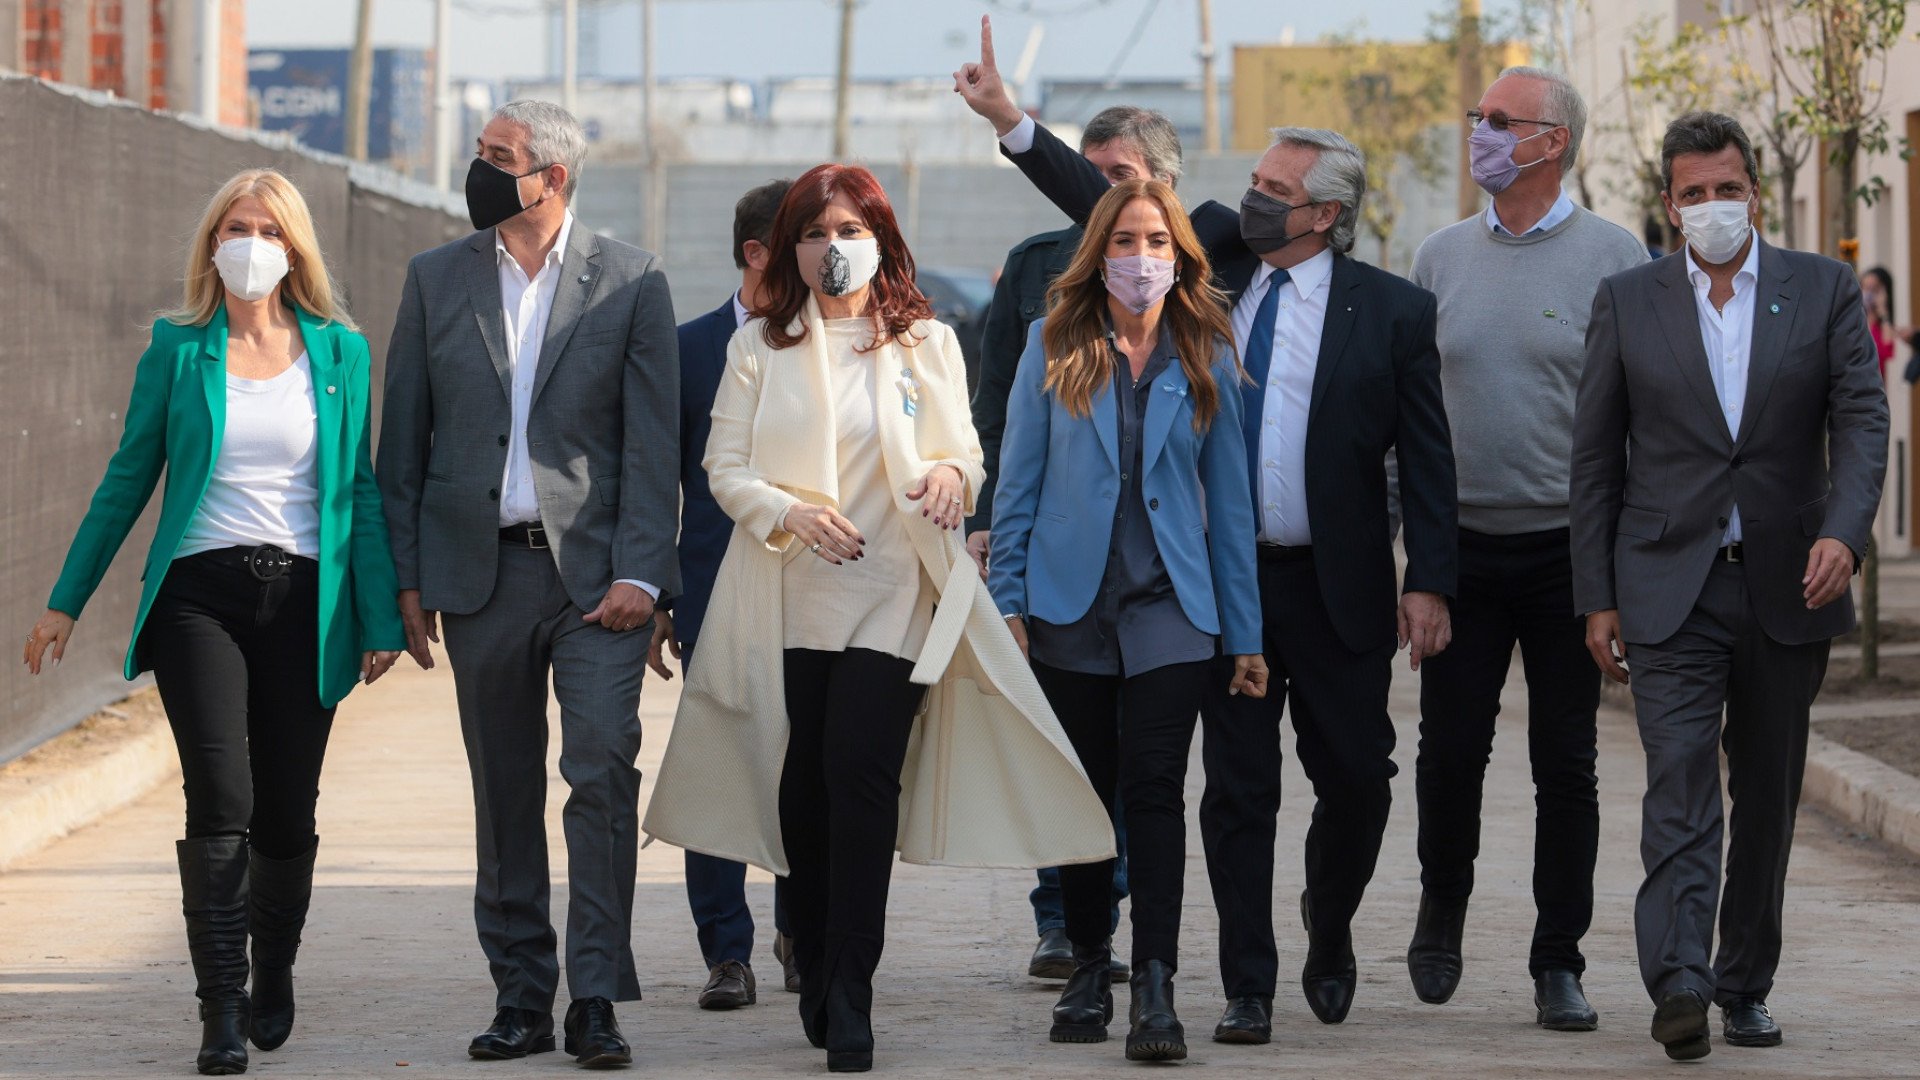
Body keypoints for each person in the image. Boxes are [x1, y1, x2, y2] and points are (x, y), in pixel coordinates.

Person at [955, 16, 1459, 1039]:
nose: (1251, 200)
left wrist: (1428, 577)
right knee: (1223, 792)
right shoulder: (1206, 258)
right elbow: (1113, 213)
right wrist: (1014, 125)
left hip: (1326, 582)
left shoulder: (1391, 312)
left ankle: (1321, 923)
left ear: (1323, 214)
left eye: (1277, 190)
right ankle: (1238, 984)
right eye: (1257, 184)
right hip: (1199, 588)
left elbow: (1428, 456)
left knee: (1355, 776)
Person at [641, 163, 1114, 1074]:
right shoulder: (759, 348)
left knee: (861, 780)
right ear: (790, 249)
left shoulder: (925, 342)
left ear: (882, 241)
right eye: (816, 233)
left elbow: (964, 452)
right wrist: (790, 512)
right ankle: (812, 955)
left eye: (851, 231)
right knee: (803, 793)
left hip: (895, 592)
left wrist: (950, 479)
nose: (834, 248)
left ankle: (853, 986)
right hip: (785, 592)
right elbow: (724, 469)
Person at [22, 168, 407, 1076]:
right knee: (220, 798)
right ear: (210, 245)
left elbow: (359, 487)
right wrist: (64, 602)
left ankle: (273, 969)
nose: (250, 244)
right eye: (235, 227)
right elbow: (127, 480)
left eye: (269, 230)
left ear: (295, 247)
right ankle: (221, 1008)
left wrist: (382, 609)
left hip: (306, 602)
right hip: (201, 594)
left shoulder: (340, 352)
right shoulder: (176, 348)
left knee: (287, 809)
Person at [1570, 111, 1888, 1062]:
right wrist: (1598, 593)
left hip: (1791, 580)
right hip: (1670, 584)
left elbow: (1863, 422)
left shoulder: (1823, 289)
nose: (1715, 205)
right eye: (1695, 192)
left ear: (1754, 191)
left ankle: (1744, 981)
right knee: (1678, 782)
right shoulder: (1628, 300)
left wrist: (1845, 532)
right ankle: (1679, 980)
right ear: (1670, 206)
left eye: (1730, 188)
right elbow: (1595, 461)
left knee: (1766, 790)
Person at [376, 100, 681, 1068]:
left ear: (549, 176)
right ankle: (520, 995)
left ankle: (595, 997)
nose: (479, 168)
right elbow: (404, 446)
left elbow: (652, 443)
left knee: (599, 774)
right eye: (479, 153)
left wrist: (645, 571)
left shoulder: (632, 282)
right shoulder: (435, 280)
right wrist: (408, 579)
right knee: (502, 791)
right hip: (482, 577)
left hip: (599, 586)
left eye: (497, 157)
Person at [990, 178, 1267, 1061]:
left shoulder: (1208, 350)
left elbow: (1230, 507)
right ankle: (1087, 963)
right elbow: (1019, 486)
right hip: (1068, 606)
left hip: (1171, 613)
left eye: (1156, 242)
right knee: (1084, 798)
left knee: (1152, 792)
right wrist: (1007, 601)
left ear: (1180, 256)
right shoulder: (1051, 343)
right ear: (1097, 252)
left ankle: (1154, 981)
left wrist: (1246, 634)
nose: (1140, 258)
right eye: (1124, 241)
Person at [1402, 67, 1648, 1031]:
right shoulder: (1438, 258)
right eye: (1479, 119)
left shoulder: (1615, 258)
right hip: (1458, 553)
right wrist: (1416, 567)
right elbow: (1409, 420)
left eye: (1500, 122)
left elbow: (1638, 416)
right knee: (1449, 753)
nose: (1482, 135)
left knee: (1567, 765)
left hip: (1567, 554)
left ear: (1553, 141)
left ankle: (1558, 961)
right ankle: (1441, 909)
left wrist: (1615, 576)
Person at [967, 104, 1185, 984]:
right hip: (1062, 570)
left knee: (1149, 770)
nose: (1096, 193)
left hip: (1162, 582)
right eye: (1084, 170)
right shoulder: (1034, 273)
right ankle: (1064, 921)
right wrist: (992, 527)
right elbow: (998, 414)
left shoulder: (1191, 279)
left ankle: (1138, 944)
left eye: (1118, 175)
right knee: (1068, 753)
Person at [647, 177, 797, 1008]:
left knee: (800, 772)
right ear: (758, 253)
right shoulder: (686, 349)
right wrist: (661, 593)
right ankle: (726, 953)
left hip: (814, 596)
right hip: (712, 594)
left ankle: (799, 930)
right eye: (805, 238)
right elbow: (655, 482)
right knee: (719, 772)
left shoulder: (833, 345)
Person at [1859, 265, 1898, 379]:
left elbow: (1887, 351)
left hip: (1874, 388)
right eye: (1865, 287)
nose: (1868, 293)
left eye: (1874, 289)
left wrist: (1883, 312)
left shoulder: (1883, 325)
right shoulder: (1853, 318)